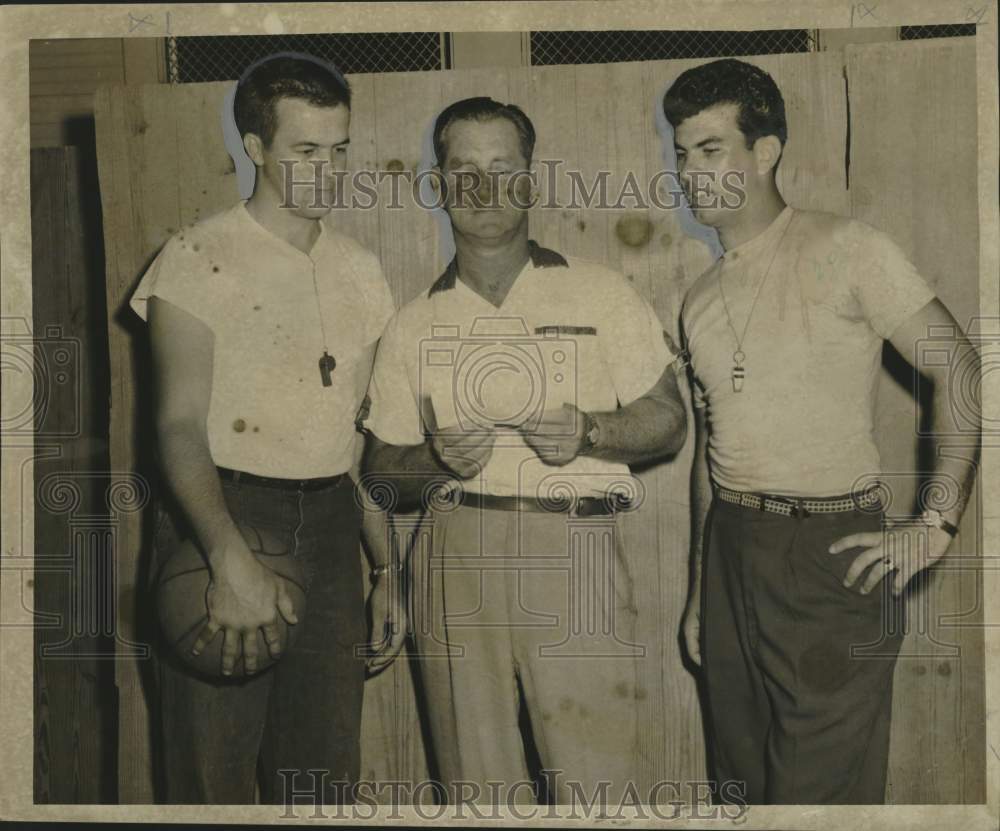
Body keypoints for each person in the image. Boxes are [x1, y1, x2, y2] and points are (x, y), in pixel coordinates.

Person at [664, 58, 981, 804]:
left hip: (833, 552)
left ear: (765, 151)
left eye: (710, 149)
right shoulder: (700, 297)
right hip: (733, 551)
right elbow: (713, 455)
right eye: (680, 152)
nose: (689, 171)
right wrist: (697, 592)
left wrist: (934, 523)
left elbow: (962, 369)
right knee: (739, 789)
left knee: (817, 801)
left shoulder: (849, 248)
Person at [360, 96, 688, 804]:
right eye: (463, 169)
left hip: (574, 551)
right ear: (441, 185)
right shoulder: (413, 323)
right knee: (476, 789)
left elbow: (670, 419)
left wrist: (592, 431)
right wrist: (437, 460)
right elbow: (380, 472)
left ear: (531, 180)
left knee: (598, 788)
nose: (483, 188)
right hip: (455, 556)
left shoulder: (601, 293)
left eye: (502, 167)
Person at [130, 53, 395, 804]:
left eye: (340, 149)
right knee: (210, 778)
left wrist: (387, 569)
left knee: (321, 779)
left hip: (333, 523)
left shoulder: (361, 269)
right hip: (225, 509)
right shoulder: (195, 257)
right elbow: (178, 426)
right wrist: (226, 554)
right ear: (255, 147)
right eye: (305, 151)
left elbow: (359, 438)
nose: (328, 169)